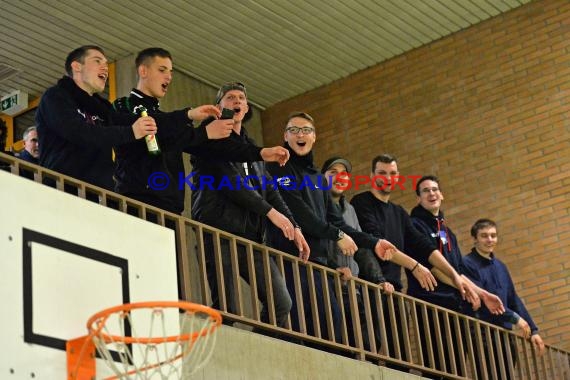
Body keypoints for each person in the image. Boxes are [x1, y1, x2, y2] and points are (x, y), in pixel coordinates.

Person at [267, 112, 436, 347]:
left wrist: (374, 242)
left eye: (306, 130)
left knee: (334, 332)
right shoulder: (279, 169)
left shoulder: (316, 177)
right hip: (291, 260)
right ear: (285, 136)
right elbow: (299, 214)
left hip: (320, 266)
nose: (300, 134)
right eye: (294, 130)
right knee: (305, 331)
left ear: (314, 137)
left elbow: (339, 222)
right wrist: (337, 236)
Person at [190, 82, 310, 332]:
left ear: (245, 108)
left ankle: (262, 347)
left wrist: (294, 226)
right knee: (227, 308)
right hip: (218, 233)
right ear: (218, 107)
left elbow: (270, 191)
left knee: (281, 302)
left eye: (241, 98)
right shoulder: (207, 137)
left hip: (252, 238)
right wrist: (271, 214)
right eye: (230, 97)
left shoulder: (250, 146)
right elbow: (230, 184)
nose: (236, 101)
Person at [113, 48, 290, 214]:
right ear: (143, 71)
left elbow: (210, 148)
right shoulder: (124, 106)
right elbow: (154, 130)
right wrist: (192, 119)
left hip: (170, 209)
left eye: (171, 72)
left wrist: (261, 152)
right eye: (162, 70)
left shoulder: (169, 120)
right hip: (136, 202)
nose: (168, 77)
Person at [35, 45, 225, 192]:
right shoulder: (56, 97)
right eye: (97, 61)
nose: (105, 67)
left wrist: (187, 114)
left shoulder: (103, 109)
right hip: (60, 190)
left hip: (98, 195)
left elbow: (146, 123)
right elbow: (80, 133)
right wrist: (131, 132)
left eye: (106, 63)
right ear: (76, 67)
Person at [350, 154, 472, 365]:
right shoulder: (361, 202)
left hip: (395, 292)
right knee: (368, 350)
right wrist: (415, 266)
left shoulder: (399, 212)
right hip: (369, 286)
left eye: (392, 173)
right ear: (372, 176)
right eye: (382, 173)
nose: (387, 177)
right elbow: (380, 244)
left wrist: (455, 277)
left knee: (402, 359)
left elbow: (424, 247)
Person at [410, 176, 505, 377]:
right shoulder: (415, 225)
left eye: (435, 189)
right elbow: (431, 266)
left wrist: (483, 294)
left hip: (454, 305)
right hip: (431, 305)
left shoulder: (447, 231)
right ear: (418, 198)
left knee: (457, 367)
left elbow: (459, 272)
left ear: (442, 195)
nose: (431, 193)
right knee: (439, 366)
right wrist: (461, 285)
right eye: (425, 191)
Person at [463, 218, 545, 379]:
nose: (490, 240)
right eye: (484, 236)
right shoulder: (467, 264)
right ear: (475, 239)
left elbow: (513, 299)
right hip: (483, 332)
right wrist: (515, 319)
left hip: (504, 333)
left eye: (493, 236)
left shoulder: (501, 266)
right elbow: (485, 303)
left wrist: (533, 330)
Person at [321, 156, 389, 350]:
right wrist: (334, 268)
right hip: (329, 285)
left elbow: (361, 247)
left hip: (352, 288)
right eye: (332, 173)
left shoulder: (350, 209)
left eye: (343, 174)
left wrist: (378, 279)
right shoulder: (317, 204)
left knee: (367, 343)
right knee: (338, 343)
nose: (338, 177)